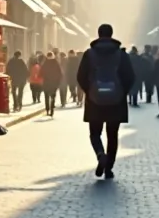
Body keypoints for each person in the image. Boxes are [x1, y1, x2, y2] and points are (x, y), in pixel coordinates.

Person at [77, 24, 136, 179]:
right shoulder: (122, 55)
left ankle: (100, 154)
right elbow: (130, 76)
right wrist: (122, 93)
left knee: (95, 133)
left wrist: (89, 92)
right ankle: (108, 167)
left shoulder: (89, 54)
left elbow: (80, 76)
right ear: (111, 34)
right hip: (116, 102)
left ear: (98, 34)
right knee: (113, 135)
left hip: (94, 101)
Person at [40, 51, 63, 117]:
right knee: (53, 96)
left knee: (46, 97)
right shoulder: (56, 63)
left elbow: (41, 73)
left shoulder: (45, 63)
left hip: (46, 83)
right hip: (54, 83)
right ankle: (52, 109)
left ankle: (47, 110)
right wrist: (59, 81)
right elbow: (60, 73)